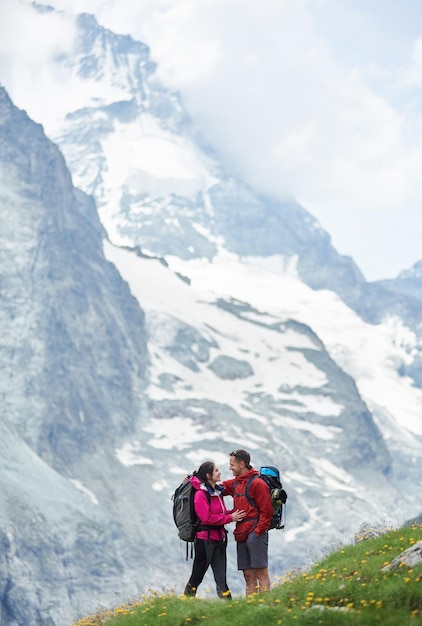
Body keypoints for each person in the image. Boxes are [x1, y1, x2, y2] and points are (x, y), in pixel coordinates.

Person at [184, 461, 245, 599]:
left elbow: (221, 513)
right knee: (196, 579)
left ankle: (230, 611)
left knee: (221, 580)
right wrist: (230, 518)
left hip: (219, 540)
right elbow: (206, 518)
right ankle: (184, 606)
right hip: (205, 541)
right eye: (216, 470)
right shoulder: (200, 494)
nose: (220, 472)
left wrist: (234, 513)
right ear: (208, 475)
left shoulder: (217, 492)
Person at [221, 449, 274, 596]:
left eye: (232, 464)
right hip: (242, 533)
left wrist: (257, 533)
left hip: (255, 533)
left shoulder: (258, 484)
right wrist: (195, 480)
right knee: (248, 576)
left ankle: (265, 606)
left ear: (242, 464)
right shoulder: (236, 483)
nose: (229, 467)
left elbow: (267, 512)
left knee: (261, 574)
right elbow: (217, 488)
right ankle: (251, 607)